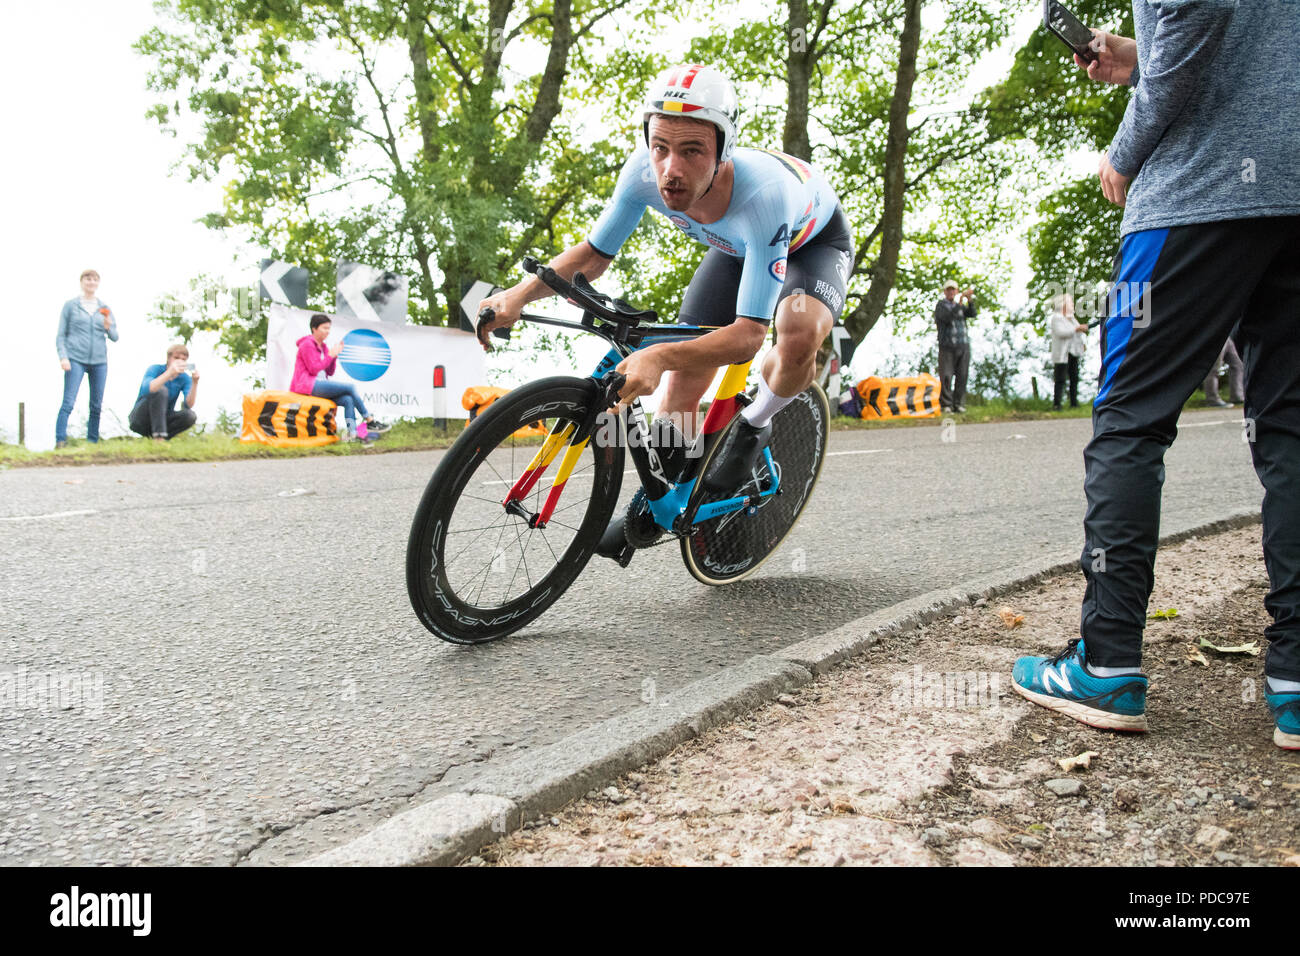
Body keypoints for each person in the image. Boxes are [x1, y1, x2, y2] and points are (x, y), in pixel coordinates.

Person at [1011, 4, 1300, 750]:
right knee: (1292, 425)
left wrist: (1126, 148)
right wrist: (1140, 55)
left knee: (1130, 418)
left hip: (1198, 192)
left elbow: (1200, 12)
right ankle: (1297, 679)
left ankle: (1106, 662)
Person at [475, 64, 853, 555]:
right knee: (681, 385)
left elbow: (747, 337)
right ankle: (660, 504)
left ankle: (755, 423)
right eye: (661, 147)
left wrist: (659, 355)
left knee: (796, 330)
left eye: (692, 150)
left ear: (723, 150)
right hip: (737, 248)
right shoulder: (641, 174)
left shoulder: (762, 195)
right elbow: (592, 256)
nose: (671, 169)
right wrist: (518, 295)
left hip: (810, 244)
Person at [290, 314, 390, 441]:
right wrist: (330, 356)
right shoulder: (307, 344)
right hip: (307, 385)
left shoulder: (324, 347)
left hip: (320, 384)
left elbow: (330, 372)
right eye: (324, 328)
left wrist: (334, 356)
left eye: (329, 328)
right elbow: (313, 369)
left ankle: (353, 434)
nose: (327, 331)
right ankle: (369, 420)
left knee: (348, 399)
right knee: (350, 387)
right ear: (314, 329)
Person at [55, 269, 118, 447]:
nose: (91, 282)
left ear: (98, 283)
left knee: (96, 405)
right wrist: (63, 357)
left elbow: (115, 336)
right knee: (68, 401)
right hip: (75, 358)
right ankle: (60, 440)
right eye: (88, 279)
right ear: (82, 282)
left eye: (95, 279)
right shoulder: (71, 306)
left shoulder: (104, 308)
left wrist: (108, 326)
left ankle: (92, 442)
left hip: (99, 361)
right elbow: (61, 335)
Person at [129, 344, 198, 440]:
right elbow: (150, 388)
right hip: (141, 417)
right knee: (160, 390)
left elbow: (189, 404)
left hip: (164, 419)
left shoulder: (184, 378)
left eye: (183, 359)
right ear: (169, 358)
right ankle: (159, 438)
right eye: (176, 358)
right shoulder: (154, 369)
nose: (179, 361)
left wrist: (195, 383)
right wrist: (170, 373)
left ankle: (161, 437)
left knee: (190, 416)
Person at [934, 280, 976, 413]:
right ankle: (946, 404)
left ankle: (958, 404)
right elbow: (947, 317)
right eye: (948, 290)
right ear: (945, 292)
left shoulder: (961, 307)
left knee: (962, 375)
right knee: (946, 376)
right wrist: (960, 301)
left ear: (956, 291)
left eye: (953, 290)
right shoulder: (941, 306)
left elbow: (972, 314)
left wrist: (969, 301)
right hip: (947, 347)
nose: (951, 292)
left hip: (962, 346)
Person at [1048, 293, 1088, 410]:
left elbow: (1079, 334)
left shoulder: (1072, 318)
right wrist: (1077, 328)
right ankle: (1057, 404)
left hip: (1073, 352)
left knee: (1074, 377)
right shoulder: (1057, 318)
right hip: (1062, 353)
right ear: (1063, 304)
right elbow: (1061, 333)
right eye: (1070, 302)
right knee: (1060, 378)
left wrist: (1083, 343)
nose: (1073, 305)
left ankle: (1074, 403)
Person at [1202, 336, 1245, 408]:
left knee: (1238, 365)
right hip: (1216, 334)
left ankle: (1237, 396)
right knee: (1214, 369)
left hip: (1228, 336)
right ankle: (1212, 400)